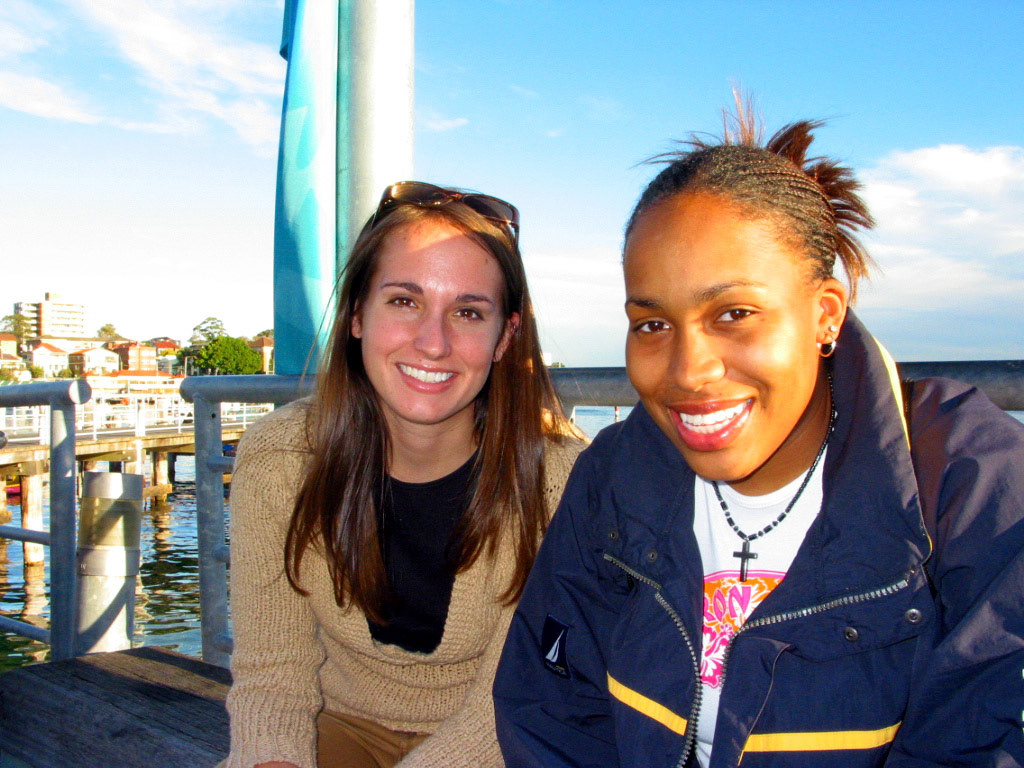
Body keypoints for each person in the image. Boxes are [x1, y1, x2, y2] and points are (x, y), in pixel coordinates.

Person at [493, 104, 1024, 767]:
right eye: (652, 324)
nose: (688, 371)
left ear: (824, 313)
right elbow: (551, 710)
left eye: (734, 313)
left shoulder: (968, 489)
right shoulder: (614, 478)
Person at [224, 181, 585, 768]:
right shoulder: (281, 457)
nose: (433, 342)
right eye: (404, 301)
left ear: (505, 338)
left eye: (468, 312)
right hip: (334, 723)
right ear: (357, 314)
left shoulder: (562, 484)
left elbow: (515, 702)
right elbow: (274, 672)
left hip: (504, 743)